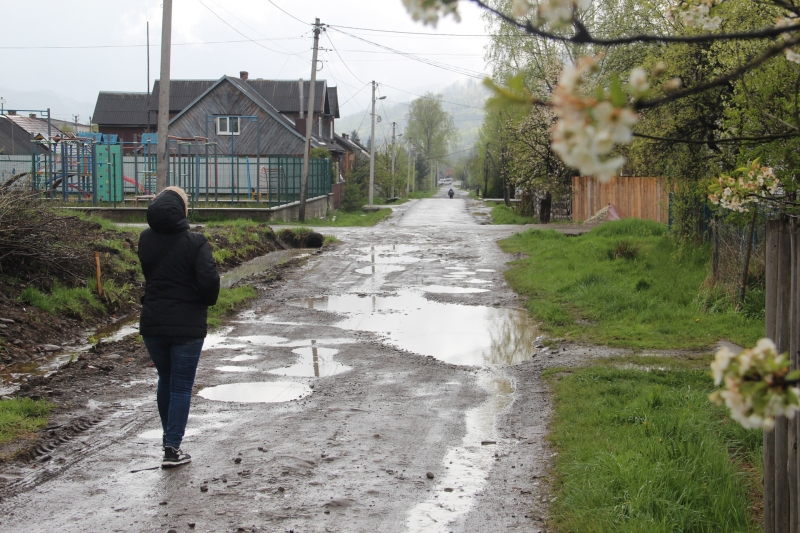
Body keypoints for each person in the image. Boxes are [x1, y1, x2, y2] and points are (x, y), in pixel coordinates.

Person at [138, 186, 220, 468]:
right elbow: (209, 281)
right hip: (187, 327)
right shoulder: (195, 242)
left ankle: (168, 439)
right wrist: (205, 301)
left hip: (153, 323)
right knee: (182, 386)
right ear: (181, 210)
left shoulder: (145, 239)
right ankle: (172, 448)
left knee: (166, 379)